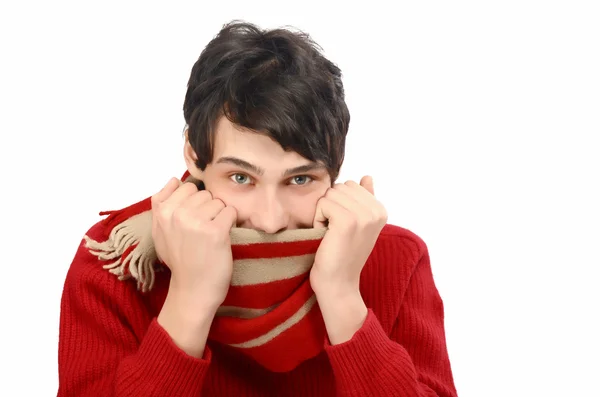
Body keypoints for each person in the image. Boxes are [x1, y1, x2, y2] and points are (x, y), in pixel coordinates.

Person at [57, 20, 458, 397]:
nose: (270, 221)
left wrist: (341, 297)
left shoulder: (395, 258)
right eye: (241, 178)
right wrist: (190, 298)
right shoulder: (116, 265)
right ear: (196, 157)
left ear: (335, 172)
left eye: (300, 180)